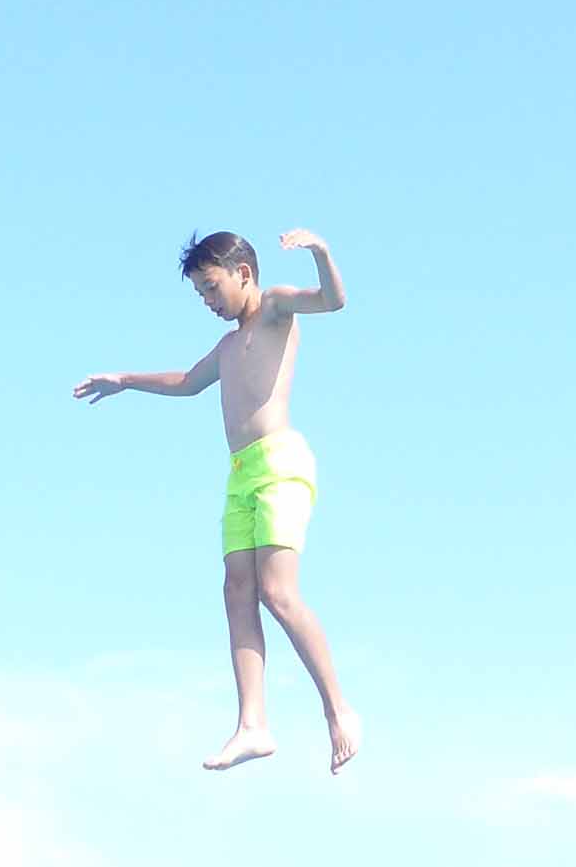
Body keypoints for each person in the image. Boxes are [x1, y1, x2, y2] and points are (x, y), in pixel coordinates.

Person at [73, 229, 361, 775]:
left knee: (278, 592)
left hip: (280, 464)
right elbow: (187, 382)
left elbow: (333, 300)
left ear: (243, 274)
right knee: (236, 591)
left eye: (211, 287)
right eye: (200, 293)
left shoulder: (274, 307)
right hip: (241, 474)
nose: (207, 301)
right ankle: (253, 725)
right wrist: (126, 380)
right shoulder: (229, 347)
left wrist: (321, 252)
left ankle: (338, 710)